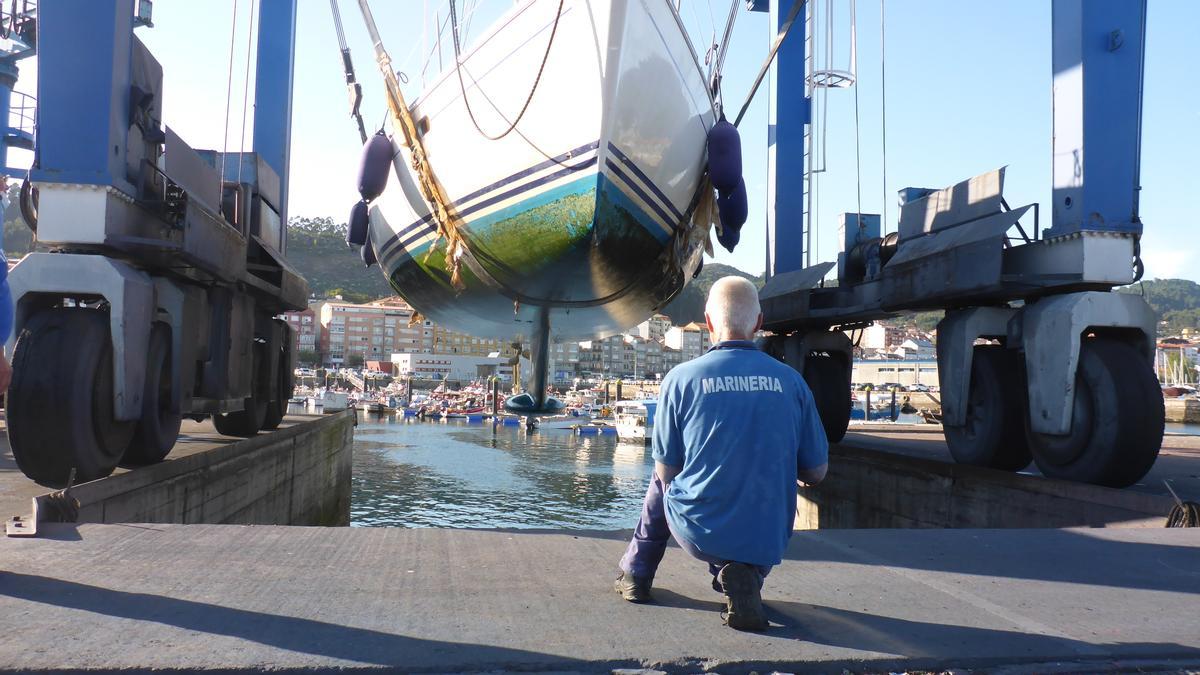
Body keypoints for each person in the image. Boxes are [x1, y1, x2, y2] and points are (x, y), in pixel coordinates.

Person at [613, 276, 829, 631]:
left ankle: (637, 573)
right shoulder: (792, 382)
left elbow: (667, 473)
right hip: (769, 537)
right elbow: (816, 473)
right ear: (759, 324)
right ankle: (748, 577)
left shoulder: (681, 379)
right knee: (768, 485)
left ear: (709, 323)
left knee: (659, 475)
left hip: (700, 534)